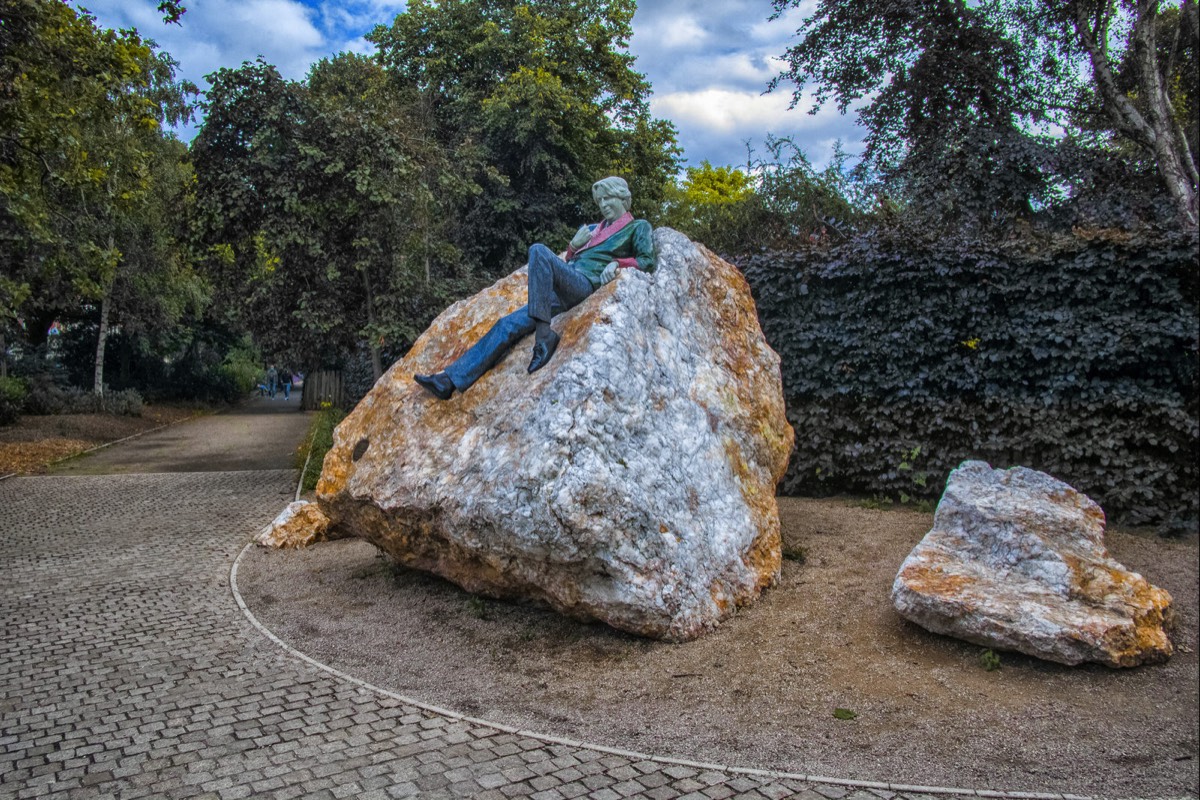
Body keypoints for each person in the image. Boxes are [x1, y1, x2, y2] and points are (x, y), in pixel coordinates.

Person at [414, 176, 655, 400]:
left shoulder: (637, 227)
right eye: (599, 200)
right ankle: (449, 380)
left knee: (538, 250)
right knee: (506, 324)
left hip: (585, 285)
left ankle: (544, 337)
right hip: (563, 286)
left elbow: (647, 260)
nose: (603, 205)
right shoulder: (594, 229)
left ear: (623, 198)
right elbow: (570, 259)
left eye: (607, 199)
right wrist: (573, 246)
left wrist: (617, 263)